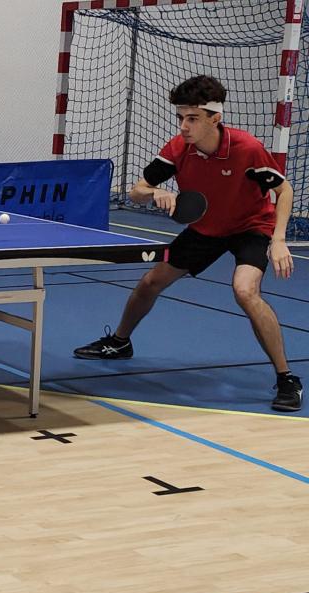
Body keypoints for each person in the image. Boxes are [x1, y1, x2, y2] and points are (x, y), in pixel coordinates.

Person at [74, 75, 300, 412]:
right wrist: (155, 192)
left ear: (215, 118)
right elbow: (137, 191)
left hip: (250, 227)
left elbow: (284, 190)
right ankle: (120, 342)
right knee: (150, 282)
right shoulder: (178, 149)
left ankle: (286, 378)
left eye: (192, 118)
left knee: (245, 291)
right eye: (180, 117)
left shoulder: (247, 148)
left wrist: (279, 239)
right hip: (206, 229)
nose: (183, 126)